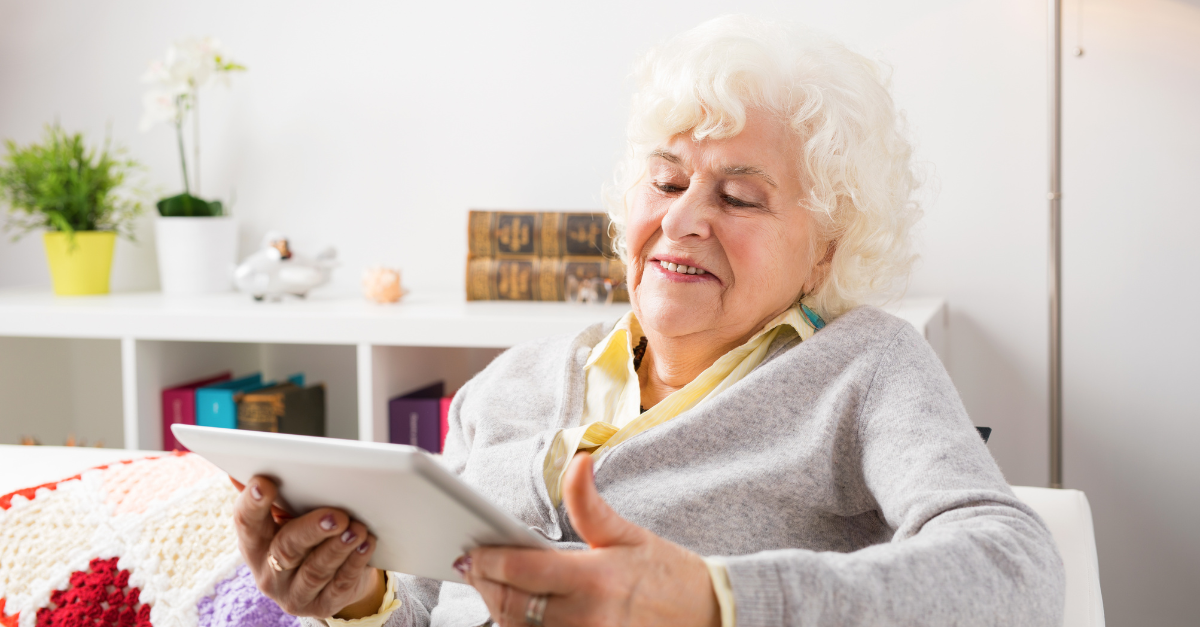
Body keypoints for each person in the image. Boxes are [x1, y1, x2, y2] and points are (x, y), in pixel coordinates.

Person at [232, 15, 1065, 627]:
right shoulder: (506, 388)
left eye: (739, 195)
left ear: (826, 250)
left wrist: (715, 601)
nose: (683, 220)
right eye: (666, 183)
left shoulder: (866, 366)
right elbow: (417, 612)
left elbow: (1017, 571)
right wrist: (357, 598)